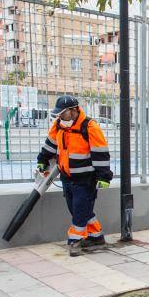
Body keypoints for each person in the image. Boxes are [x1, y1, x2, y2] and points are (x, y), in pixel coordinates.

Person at [37, 95, 114, 257]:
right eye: (58, 114)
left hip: (86, 179)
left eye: (62, 114)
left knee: (79, 211)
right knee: (77, 209)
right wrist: (42, 160)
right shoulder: (58, 125)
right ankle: (96, 237)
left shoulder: (90, 127)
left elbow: (100, 153)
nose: (59, 117)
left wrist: (104, 177)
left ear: (73, 110)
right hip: (67, 177)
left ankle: (74, 241)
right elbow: (50, 144)